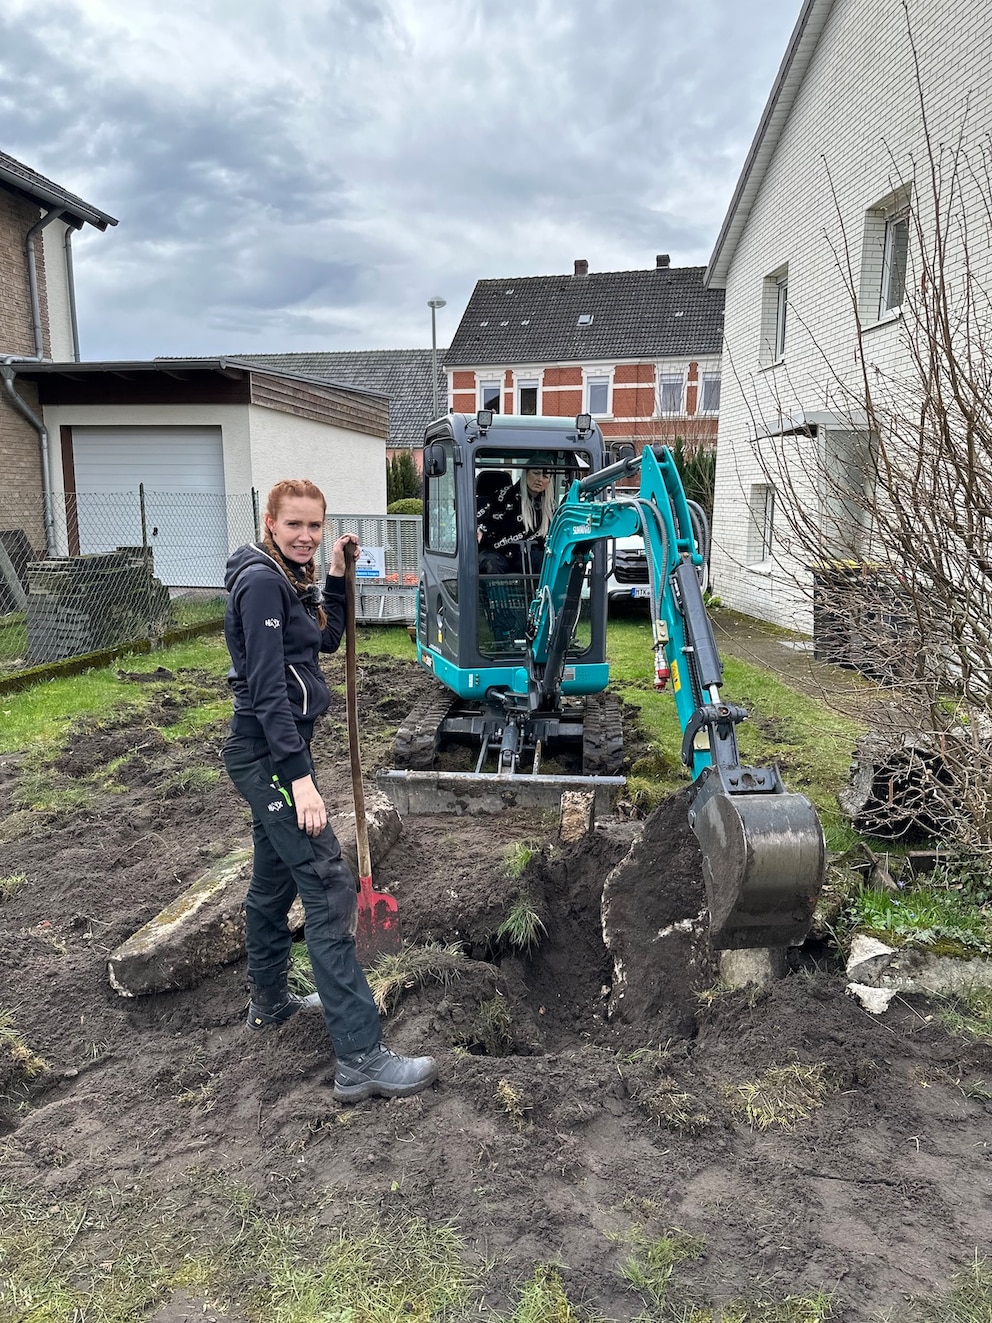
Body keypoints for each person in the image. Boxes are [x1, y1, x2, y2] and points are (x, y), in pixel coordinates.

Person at [222, 478, 437, 1104]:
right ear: (270, 522)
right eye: (295, 525)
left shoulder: (289, 579)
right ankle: (361, 1058)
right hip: (268, 756)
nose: (306, 536)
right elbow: (266, 692)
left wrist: (338, 577)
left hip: (273, 752)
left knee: (273, 882)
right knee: (328, 885)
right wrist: (301, 780)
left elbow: (326, 640)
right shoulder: (262, 582)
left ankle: (271, 1003)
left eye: (314, 526)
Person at [476, 454, 558, 574]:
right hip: (497, 552)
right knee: (492, 563)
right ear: (526, 473)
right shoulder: (503, 497)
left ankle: (540, 593)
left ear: (550, 481)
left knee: (546, 561)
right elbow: (486, 521)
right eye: (536, 473)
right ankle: (499, 593)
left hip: (527, 554)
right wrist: (481, 530)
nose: (540, 479)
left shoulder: (550, 508)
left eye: (545, 476)